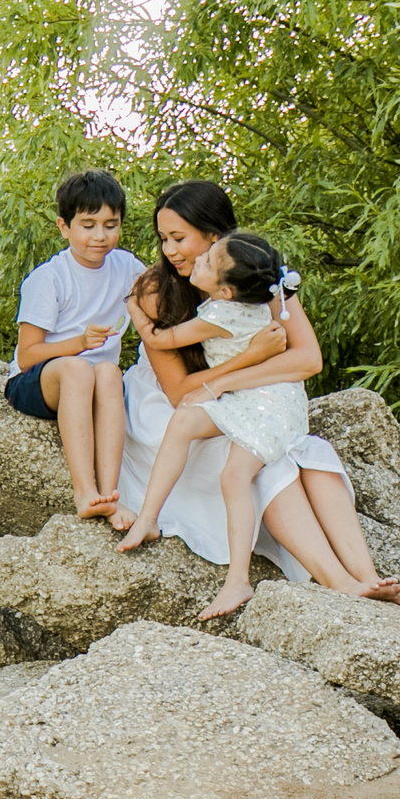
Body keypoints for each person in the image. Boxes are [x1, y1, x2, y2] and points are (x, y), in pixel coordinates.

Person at [114, 180, 400, 608]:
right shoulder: (156, 290)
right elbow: (181, 393)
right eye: (163, 238)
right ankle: (339, 581)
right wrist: (250, 361)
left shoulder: (253, 272)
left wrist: (234, 378)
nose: (169, 250)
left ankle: (369, 578)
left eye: (179, 238)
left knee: (309, 454)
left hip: (238, 398)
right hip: (173, 411)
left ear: (215, 236)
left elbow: (307, 361)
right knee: (269, 465)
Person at [116, 231, 309, 619]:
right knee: (184, 422)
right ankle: (150, 518)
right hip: (255, 398)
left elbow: (163, 339)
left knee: (233, 477)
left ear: (224, 292)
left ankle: (237, 579)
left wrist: (135, 309)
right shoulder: (251, 299)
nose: (195, 260)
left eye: (206, 261)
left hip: (263, 404)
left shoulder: (220, 316)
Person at [5, 168, 143, 519]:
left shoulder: (126, 267)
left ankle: (109, 494)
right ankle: (84, 491)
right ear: (64, 227)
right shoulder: (49, 278)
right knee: (81, 369)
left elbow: (161, 302)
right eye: (88, 225)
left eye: (111, 226)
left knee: (111, 372)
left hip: (97, 381)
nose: (100, 236)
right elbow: (26, 356)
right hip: (38, 381)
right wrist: (78, 343)